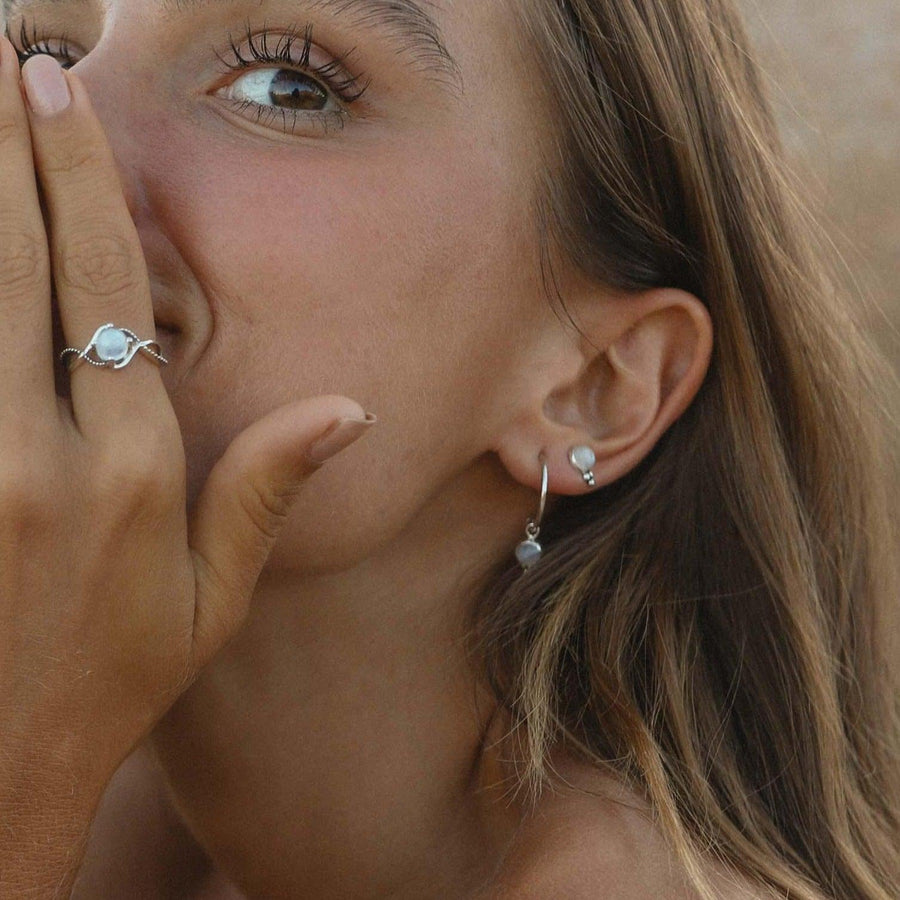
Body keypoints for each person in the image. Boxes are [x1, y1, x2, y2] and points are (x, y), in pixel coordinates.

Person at [0, 0, 897, 897]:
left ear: (596, 389)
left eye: (288, 83)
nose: (53, 123)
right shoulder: (123, 804)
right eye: (38, 49)